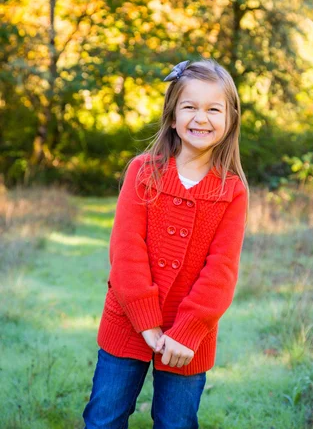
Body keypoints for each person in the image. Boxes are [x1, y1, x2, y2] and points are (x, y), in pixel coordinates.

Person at [82, 57, 249, 429]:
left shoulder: (232, 191)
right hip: (126, 322)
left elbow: (221, 270)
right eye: (189, 107)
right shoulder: (143, 172)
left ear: (230, 119)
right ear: (172, 116)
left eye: (213, 109)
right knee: (104, 417)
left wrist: (187, 331)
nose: (200, 118)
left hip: (190, 337)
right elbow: (126, 250)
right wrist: (145, 322)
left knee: (176, 422)